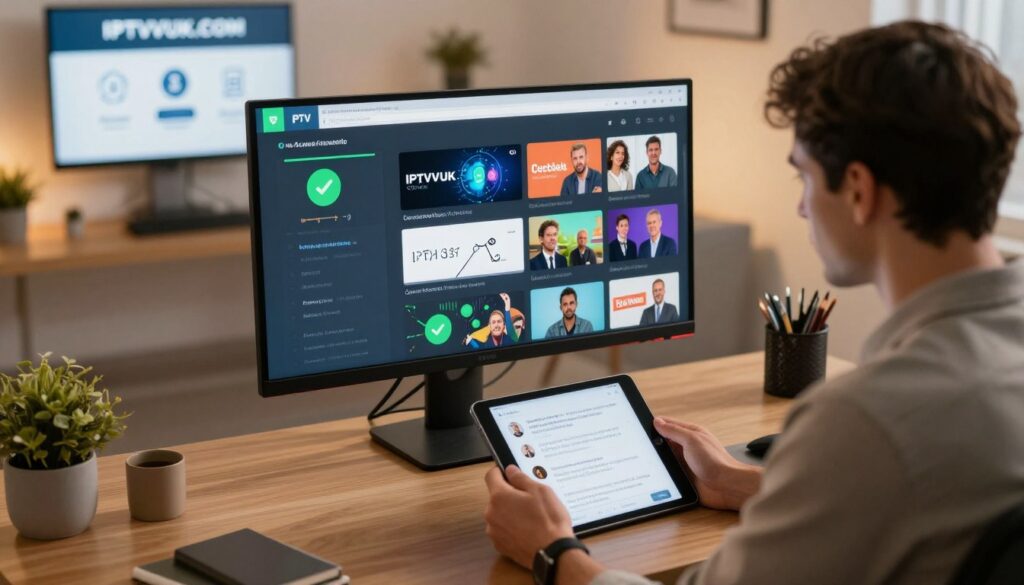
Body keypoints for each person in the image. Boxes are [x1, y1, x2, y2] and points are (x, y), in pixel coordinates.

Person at [482, 21, 1024, 585]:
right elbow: (918, 497)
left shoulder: (866, 422)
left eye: (805, 177)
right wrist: (743, 483)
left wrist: (552, 550)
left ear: (859, 191)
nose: (802, 208)